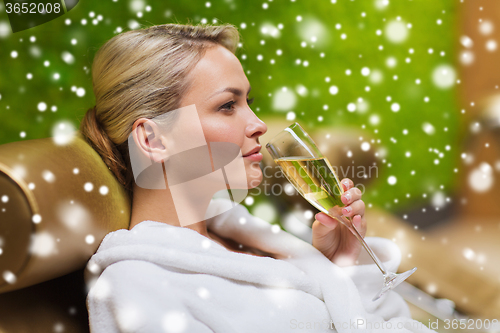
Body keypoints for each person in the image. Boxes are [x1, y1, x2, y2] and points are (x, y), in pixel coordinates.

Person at [80, 23, 435, 333]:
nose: (259, 124)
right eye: (227, 105)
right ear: (153, 140)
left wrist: (339, 266)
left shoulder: (245, 236)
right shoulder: (137, 285)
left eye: (249, 101)